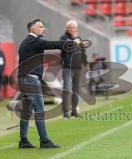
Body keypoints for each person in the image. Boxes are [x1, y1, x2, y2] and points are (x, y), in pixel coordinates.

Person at [17, 19, 80, 149]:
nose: (43, 29)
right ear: (32, 29)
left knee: (26, 112)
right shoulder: (33, 40)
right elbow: (52, 44)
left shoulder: (27, 42)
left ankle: (23, 140)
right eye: (40, 27)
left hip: (24, 79)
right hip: (31, 80)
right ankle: (44, 141)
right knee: (39, 111)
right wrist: (72, 42)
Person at [60, 20, 88, 118]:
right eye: (70, 27)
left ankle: (74, 111)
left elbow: (83, 52)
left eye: (74, 27)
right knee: (67, 90)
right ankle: (65, 113)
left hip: (78, 68)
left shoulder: (79, 38)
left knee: (76, 90)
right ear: (67, 28)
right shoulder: (63, 38)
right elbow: (66, 47)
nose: (72, 29)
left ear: (76, 29)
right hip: (67, 68)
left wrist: (85, 64)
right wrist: (74, 40)